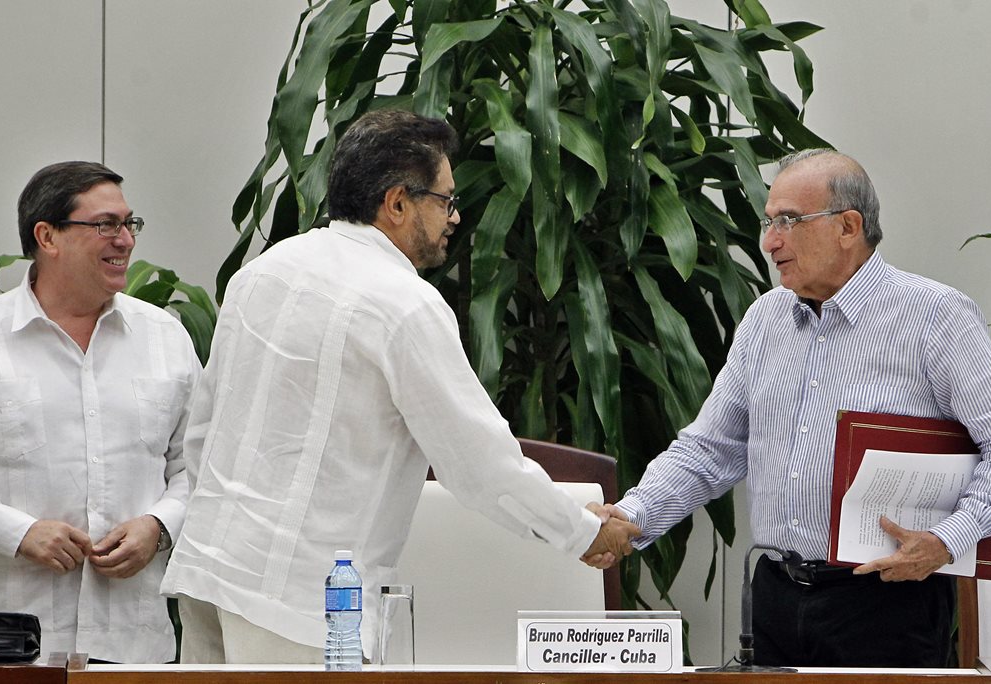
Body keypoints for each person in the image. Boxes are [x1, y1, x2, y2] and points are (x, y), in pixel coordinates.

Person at [160, 109, 639, 664]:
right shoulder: (402, 302)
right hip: (299, 605)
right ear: (397, 203)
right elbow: (479, 463)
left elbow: (204, 430)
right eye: (445, 200)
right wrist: (581, 532)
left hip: (210, 573)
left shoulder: (261, 272)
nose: (453, 218)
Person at [602, 149, 991, 667]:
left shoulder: (934, 317)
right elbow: (710, 450)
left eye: (788, 221)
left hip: (886, 600)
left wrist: (946, 542)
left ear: (848, 226)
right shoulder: (765, 319)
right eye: (770, 223)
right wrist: (632, 517)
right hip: (774, 594)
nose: (770, 241)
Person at [0, 161, 201, 662]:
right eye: (105, 225)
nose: (125, 240)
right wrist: (16, 533)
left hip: (133, 643)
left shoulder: (165, 338)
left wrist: (159, 525)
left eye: (130, 224)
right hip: (9, 644)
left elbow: (202, 465)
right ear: (48, 236)